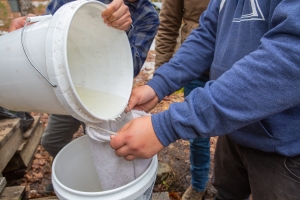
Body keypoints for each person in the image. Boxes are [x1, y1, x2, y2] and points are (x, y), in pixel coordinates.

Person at [110, 0, 300, 199]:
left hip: (284, 146)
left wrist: (167, 125)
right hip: (234, 128)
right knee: (225, 192)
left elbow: (290, 57)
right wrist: (158, 85)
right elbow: (207, 35)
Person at [9, 0, 159, 194]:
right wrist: (27, 32)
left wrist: (122, 32)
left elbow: (133, 64)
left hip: (102, 93)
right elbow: (51, 20)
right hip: (64, 88)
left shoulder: (148, 15)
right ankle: (68, 171)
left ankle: (97, 182)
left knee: (103, 146)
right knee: (52, 140)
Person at [155, 0, 210, 199]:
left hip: (233, 65)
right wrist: (161, 77)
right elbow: (168, 24)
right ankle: (199, 184)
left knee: (237, 136)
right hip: (196, 68)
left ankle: (234, 185)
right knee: (196, 132)